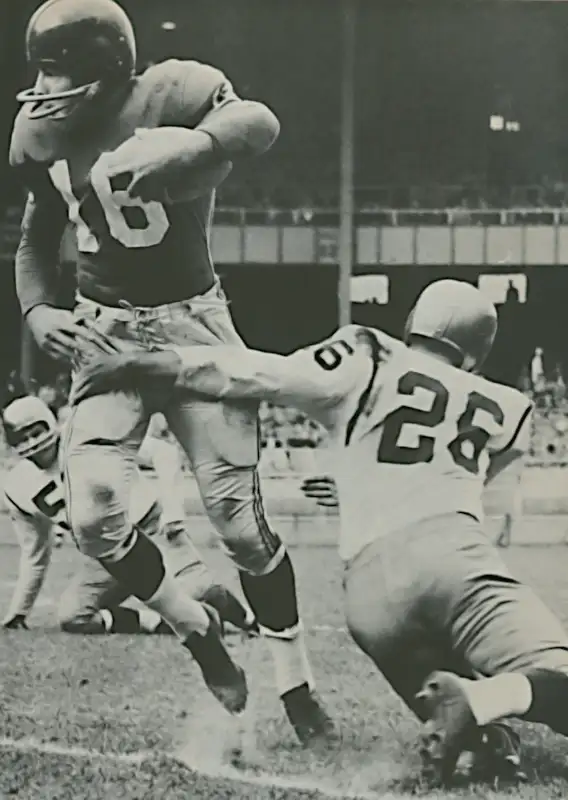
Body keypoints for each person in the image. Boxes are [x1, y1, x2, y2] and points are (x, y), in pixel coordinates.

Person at [74, 279, 568, 786]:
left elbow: (261, 373)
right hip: (455, 557)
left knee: (470, 734)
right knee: (550, 676)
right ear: (480, 351)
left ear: (413, 322)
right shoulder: (509, 408)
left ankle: (483, 739)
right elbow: (480, 499)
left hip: (371, 599)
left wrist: (147, 363)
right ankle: (482, 700)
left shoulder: (369, 351)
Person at [11, 0, 332, 740]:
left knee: (240, 527)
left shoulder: (175, 90)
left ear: (107, 64)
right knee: (91, 513)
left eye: (60, 68)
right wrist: (36, 310)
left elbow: (259, 123)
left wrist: (190, 148)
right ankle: (196, 629)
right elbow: (37, 238)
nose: (45, 86)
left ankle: (296, 685)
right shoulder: (38, 129)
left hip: (195, 325)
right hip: (103, 332)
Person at [2, 396, 255, 638]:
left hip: (149, 526)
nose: (33, 443)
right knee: (74, 616)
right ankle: (157, 622)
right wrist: (19, 612)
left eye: (36, 432)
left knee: (199, 589)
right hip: (107, 554)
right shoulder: (17, 486)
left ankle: (251, 622)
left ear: (50, 423)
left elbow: (164, 453)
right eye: (22, 438)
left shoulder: (86, 435)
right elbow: (34, 554)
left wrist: (172, 508)